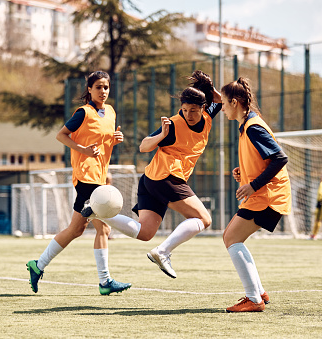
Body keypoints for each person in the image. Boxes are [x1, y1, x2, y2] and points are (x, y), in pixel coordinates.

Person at [83, 70, 222, 279]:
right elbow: (143, 146)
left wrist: (208, 86)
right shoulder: (174, 124)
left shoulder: (207, 117)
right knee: (204, 218)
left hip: (151, 180)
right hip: (167, 176)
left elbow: (219, 100)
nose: (188, 115)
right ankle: (163, 252)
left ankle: (98, 212)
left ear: (203, 108)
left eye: (193, 110)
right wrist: (162, 136)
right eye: (184, 110)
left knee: (145, 233)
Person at [26, 71, 131, 295]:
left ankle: (38, 265)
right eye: (99, 87)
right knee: (103, 226)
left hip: (99, 177)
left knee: (76, 230)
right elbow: (62, 135)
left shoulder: (110, 112)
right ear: (89, 90)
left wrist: (115, 139)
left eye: (106, 87)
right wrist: (82, 149)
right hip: (86, 177)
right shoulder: (83, 112)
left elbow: (103, 140)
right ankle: (105, 282)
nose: (103, 91)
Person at [220, 77, 292, 312]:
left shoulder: (253, 127)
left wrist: (253, 185)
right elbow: (264, 160)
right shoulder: (247, 125)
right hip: (265, 194)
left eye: (223, 103)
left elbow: (280, 158)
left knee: (231, 238)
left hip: (269, 196)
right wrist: (246, 173)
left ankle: (254, 299)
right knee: (232, 237)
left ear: (234, 102)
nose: (221, 108)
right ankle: (258, 292)